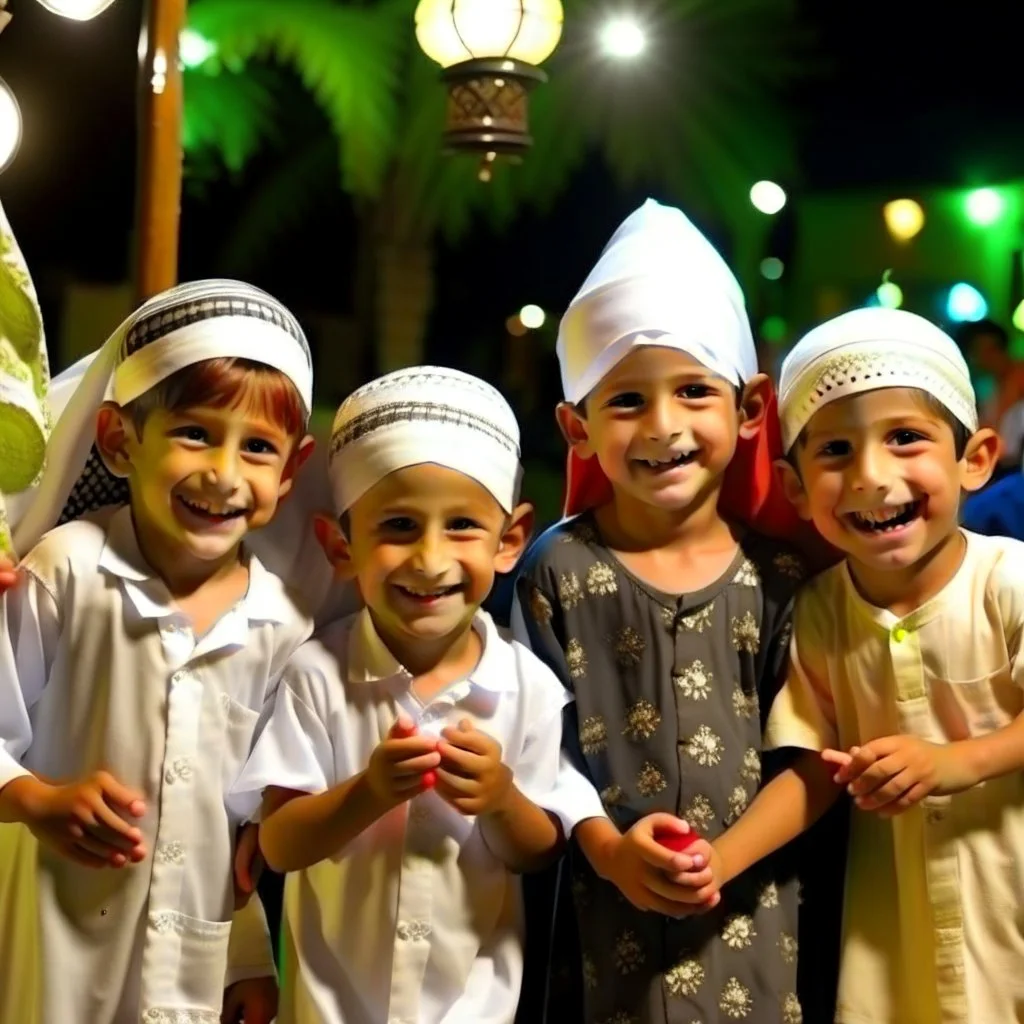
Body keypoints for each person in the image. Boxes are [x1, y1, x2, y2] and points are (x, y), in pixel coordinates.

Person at [513, 199, 808, 1024]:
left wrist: (724, 858)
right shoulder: (556, 571)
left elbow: (813, 756)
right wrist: (607, 852)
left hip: (753, 928)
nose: (664, 426)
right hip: (601, 936)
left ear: (749, 409)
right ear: (576, 426)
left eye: (691, 391)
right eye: (627, 401)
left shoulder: (783, 577)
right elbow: (533, 751)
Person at [232, 366, 601, 1024]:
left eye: (461, 526)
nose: (430, 560)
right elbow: (281, 847)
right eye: (399, 526)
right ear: (340, 545)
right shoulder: (319, 674)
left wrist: (500, 799)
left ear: (510, 540)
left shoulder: (528, 688)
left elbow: (540, 849)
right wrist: (369, 792)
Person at [0, 280, 317, 1024]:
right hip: (54, 941)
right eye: (195, 433)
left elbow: (239, 830)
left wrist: (246, 950)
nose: (224, 473)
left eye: (258, 448)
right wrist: (36, 800)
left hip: (190, 966)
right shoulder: (67, 570)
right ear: (118, 439)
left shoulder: (280, 624)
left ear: (291, 472)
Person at [703, 307, 1024, 1024]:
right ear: (793, 487)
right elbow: (815, 767)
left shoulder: (1009, 581)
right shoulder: (820, 610)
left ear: (974, 458)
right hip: (896, 930)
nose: (872, 476)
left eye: (905, 438)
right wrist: (720, 862)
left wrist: (956, 761)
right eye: (837, 451)